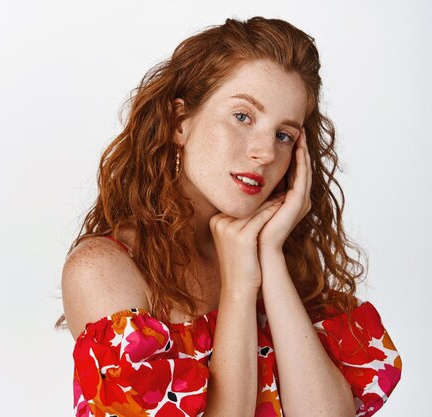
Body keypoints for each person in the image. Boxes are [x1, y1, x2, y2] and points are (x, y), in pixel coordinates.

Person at [57, 16, 402, 417]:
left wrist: (268, 255)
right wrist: (239, 287)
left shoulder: (282, 260)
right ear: (179, 122)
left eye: (284, 135)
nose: (266, 153)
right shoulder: (104, 270)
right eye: (243, 117)